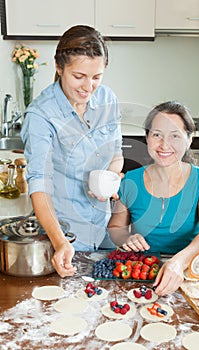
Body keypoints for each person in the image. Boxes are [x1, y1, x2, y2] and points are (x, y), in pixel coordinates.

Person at [21, 25, 123, 278]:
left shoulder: (107, 99)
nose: (88, 87)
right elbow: (39, 186)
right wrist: (60, 242)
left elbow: (117, 154)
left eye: (96, 77)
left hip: (105, 229)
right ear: (59, 67)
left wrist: (110, 179)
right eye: (79, 76)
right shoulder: (41, 116)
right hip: (65, 235)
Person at [108, 101, 199, 296]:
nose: (164, 145)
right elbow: (115, 228)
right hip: (143, 273)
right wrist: (128, 238)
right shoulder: (131, 180)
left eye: (175, 136)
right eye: (157, 135)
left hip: (189, 271)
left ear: (189, 139)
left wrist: (178, 261)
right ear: (147, 137)